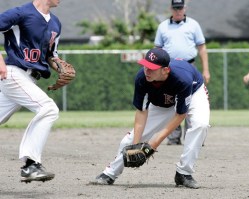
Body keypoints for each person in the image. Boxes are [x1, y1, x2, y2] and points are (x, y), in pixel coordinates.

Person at [90, 48, 210, 189]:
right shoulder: (142, 78)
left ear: (165, 70)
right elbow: (141, 111)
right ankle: (109, 173)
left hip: (194, 92)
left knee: (200, 125)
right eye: (146, 65)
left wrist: (153, 144)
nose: (147, 70)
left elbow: (180, 114)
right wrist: (135, 145)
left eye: (152, 68)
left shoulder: (182, 79)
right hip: (161, 104)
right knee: (129, 140)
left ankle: (184, 173)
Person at [0, 0, 62, 183]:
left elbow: (51, 54)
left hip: (30, 78)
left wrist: (60, 67)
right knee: (49, 109)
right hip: (13, 73)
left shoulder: (56, 23)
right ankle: (30, 165)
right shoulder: (20, 13)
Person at [154, 0, 209, 145]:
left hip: (190, 66)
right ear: (171, 9)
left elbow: (202, 48)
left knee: (193, 100)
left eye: (180, 8)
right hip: (169, 69)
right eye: (175, 8)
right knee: (172, 100)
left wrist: (206, 70)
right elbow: (157, 50)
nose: (178, 11)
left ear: (185, 8)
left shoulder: (193, 25)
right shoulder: (163, 26)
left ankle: (193, 135)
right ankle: (173, 137)